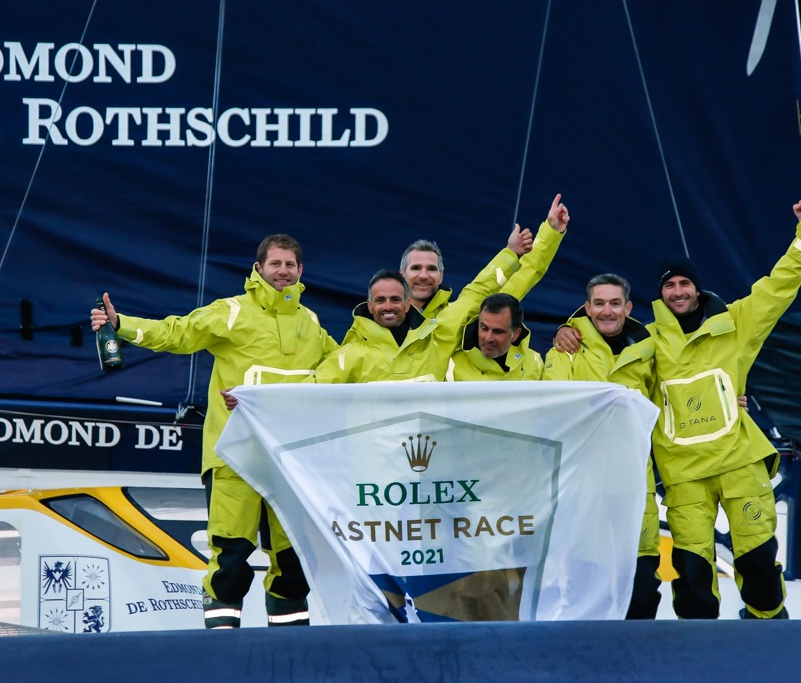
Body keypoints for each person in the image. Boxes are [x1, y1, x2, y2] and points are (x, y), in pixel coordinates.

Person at [90, 234, 337, 629]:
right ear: (258, 269)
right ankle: (223, 648)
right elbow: (179, 333)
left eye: (290, 265)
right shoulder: (233, 311)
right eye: (276, 264)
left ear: (301, 271)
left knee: (291, 561)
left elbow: (339, 370)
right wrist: (122, 326)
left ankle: (293, 650)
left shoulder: (311, 322)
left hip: (288, 461)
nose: (283, 272)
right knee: (231, 557)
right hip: (234, 458)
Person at [628, 199, 801, 620]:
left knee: (758, 564)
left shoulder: (735, 323)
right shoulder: (649, 342)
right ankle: (702, 655)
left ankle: (768, 631)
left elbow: (779, 286)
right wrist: (572, 328)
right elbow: (611, 373)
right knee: (692, 576)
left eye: (684, 283)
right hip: (684, 477)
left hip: (739, 463)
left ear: (696, 287)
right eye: (669, 286)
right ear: (659, 294)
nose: (678, 291)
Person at [315, 196, 569, 383]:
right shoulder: (362, 334)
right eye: (416, 268)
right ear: (402, 275)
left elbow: (516, 281)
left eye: (431, 269)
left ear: (442, 276)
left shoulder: (448, 324)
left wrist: (548, 234)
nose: (424, 275)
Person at [542, 273, 661, 619]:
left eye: (614, 303)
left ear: (628, 307)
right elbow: (552, 409)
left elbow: (671, 397)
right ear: (587, 307)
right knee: (582, 579)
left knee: (642, 579)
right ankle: (584, 661)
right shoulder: (565, 349)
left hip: (635, 478)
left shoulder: (650, 349)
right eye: (599, 303)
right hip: (584, 482)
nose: (606, 311)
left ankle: (639, 661)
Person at [445, 293, 543, 381]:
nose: (488, 338)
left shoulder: (534, 363)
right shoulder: (450, 362)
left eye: (498, 331)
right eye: (484, 328)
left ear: (516, 334)